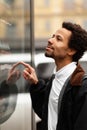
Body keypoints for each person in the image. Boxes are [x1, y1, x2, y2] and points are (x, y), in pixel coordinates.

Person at [19, 21, 87, 130]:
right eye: (52, 36)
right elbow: (47, 113)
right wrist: (36, 84)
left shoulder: (82, 86)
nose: (50, 40)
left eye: (58, 39)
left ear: (71, 50)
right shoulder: (55, 78)